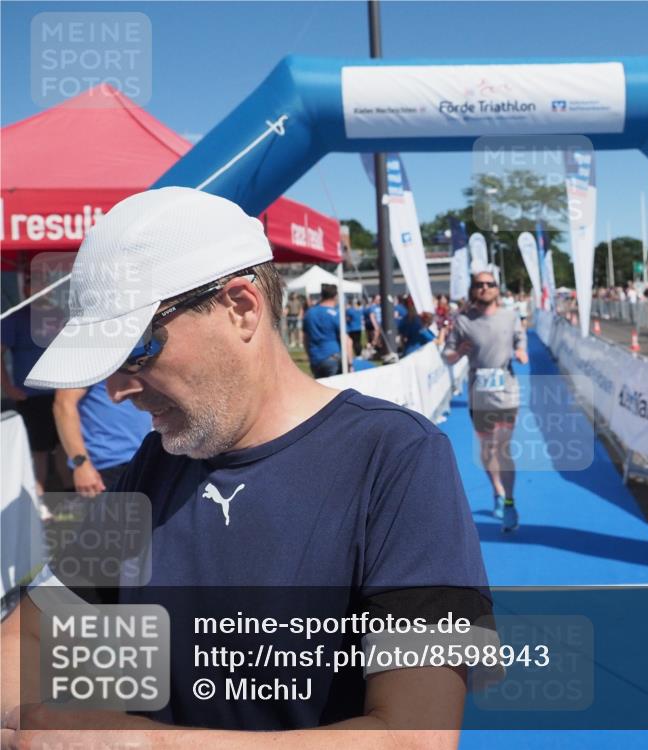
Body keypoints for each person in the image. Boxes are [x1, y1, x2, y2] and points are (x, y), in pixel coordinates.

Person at [3, 187, 492, 744]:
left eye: (135, 349)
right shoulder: (156, 462)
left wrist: (131, 740)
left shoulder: (397, 456)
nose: (115, 390)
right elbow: (28, 637)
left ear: (241, 308)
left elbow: (416, 735)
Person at [444, 270, 528, 533]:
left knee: (502, 448)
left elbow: (520, 338)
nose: (484, 288)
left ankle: (510, 503)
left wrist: (521, 350)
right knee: (488, 449)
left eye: (489, 284)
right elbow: (446, 355)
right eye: (479, 284)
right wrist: (458, 352)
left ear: (497, 288)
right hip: (479, 394)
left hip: (506, 392)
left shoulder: (510, 316)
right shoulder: (463, 321)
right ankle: (497, 491)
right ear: (473, 289)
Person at [1, 291, 71, 499]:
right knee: (38, 450)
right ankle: (38, 497)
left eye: (43, 283)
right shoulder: (16, 317)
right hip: (31, 396)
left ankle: (69, 494)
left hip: (61, 392)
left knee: (64, 445)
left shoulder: (58, 314)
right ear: (25, 289)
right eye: (32, 283)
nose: (39, 289)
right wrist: (8, 388)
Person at [53, 381, 151, 499]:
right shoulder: (84, 368)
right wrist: (81, 465)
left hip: (142, 460)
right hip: (106, 468)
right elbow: (63, 405)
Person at [302, 284, 347, 378]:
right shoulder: (335, 314)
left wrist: (310, 355)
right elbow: (345, 339)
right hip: (332, 356)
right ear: (335, 296)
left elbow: (305, 338)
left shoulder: (309, 313)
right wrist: (350, 363)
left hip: (315, 358)